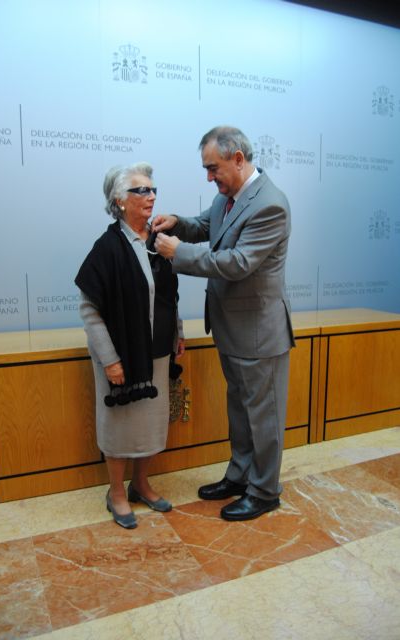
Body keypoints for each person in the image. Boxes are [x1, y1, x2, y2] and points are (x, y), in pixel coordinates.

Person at [153, 126, 294, 522]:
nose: (209, 177)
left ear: (238, 159)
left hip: (259, 333)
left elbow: (236, 262)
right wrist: (177, 223)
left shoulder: (270, 205)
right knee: (241, 411)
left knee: (263, 417)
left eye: (213, 168)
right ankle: (240, 476)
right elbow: (205, 226)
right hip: (233, 330)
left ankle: (265, 491)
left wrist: (178, 253)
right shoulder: (227, 197)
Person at [75, 163, 184, 529]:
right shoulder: (107, 248)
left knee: (151, 424)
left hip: (155, 351)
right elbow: (89, 309)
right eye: (142, 191)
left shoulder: (158, 242)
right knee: (120, 426)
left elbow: (168, 298)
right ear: (120, 201)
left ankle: (140, 484)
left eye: (153, 190)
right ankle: (116, 492)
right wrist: (109, 359)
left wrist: (177, 334)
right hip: (120, 356)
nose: (151, 196)